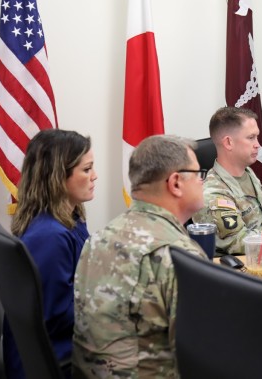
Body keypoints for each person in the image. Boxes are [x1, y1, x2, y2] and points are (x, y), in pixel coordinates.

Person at [73, 135, 207, 378]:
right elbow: (205, 356)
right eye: (199, 174)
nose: (202, 182)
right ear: (175, 182)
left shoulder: (99, 238)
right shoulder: (178, 256)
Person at [2, 129, 96, 379]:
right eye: (86, 170)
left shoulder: (65, 219)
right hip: (58, 358)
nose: (94, 176)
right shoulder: (50, 237)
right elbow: (58, 317)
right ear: (58, 177)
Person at [193, 107, 262, 254]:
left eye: (257, 137)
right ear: (228, 142)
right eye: (251, 137)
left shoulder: (248, 173)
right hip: (241, 269)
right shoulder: (213, 193)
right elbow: (240, 242)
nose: (258, 144)